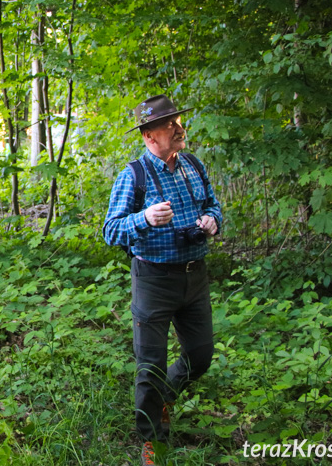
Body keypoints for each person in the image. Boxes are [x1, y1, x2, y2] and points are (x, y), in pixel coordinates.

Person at [102, 95, 223, 465]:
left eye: (178, 120)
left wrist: (213, 221)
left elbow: (212, 205)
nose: (178, 126)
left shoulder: (192, 165)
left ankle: (163, 396)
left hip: (195, 276)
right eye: (169, 123)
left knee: (200, 356)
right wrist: (144, 219)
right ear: (149, 135)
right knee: (151, 363)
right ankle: (153, 438)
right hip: (154, 278)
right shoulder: (133, 176)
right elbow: (110, 230)